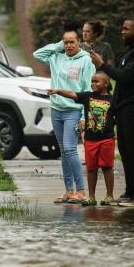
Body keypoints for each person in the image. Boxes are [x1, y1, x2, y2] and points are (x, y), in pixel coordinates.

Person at [88, 18, 134, 207]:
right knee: (126, 151)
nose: (122, 31)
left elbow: (125, 77)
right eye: (122, 27)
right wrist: (115, 107)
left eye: (126, 29)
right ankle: (130, 191)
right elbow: (121, 83)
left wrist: (103, 65)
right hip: (126, 107)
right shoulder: (131, 52)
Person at [34, 23, 96, 204]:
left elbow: (87, 91)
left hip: (74, 111)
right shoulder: (56, 57)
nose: (69, 46)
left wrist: (85, 116)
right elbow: (37, 54)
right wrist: (59, 46)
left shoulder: (85, 60)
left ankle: (81, 191)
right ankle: (69, 191)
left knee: (70, 149)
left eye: (72, 42)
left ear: (79, 42)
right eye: (66, 42)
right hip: (56, 110)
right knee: (63, 151)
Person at [48, 70, 117, 205]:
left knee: (107, 167)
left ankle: (110, 196)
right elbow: (73, 94)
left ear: (106, 84)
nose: (92, 84)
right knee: (91, 168)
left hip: (107, 139)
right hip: (91, 140)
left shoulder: (113, 100)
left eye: (96, 81)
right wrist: (58, 91)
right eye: (92, 81)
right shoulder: (88, 97)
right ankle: (91, 197)